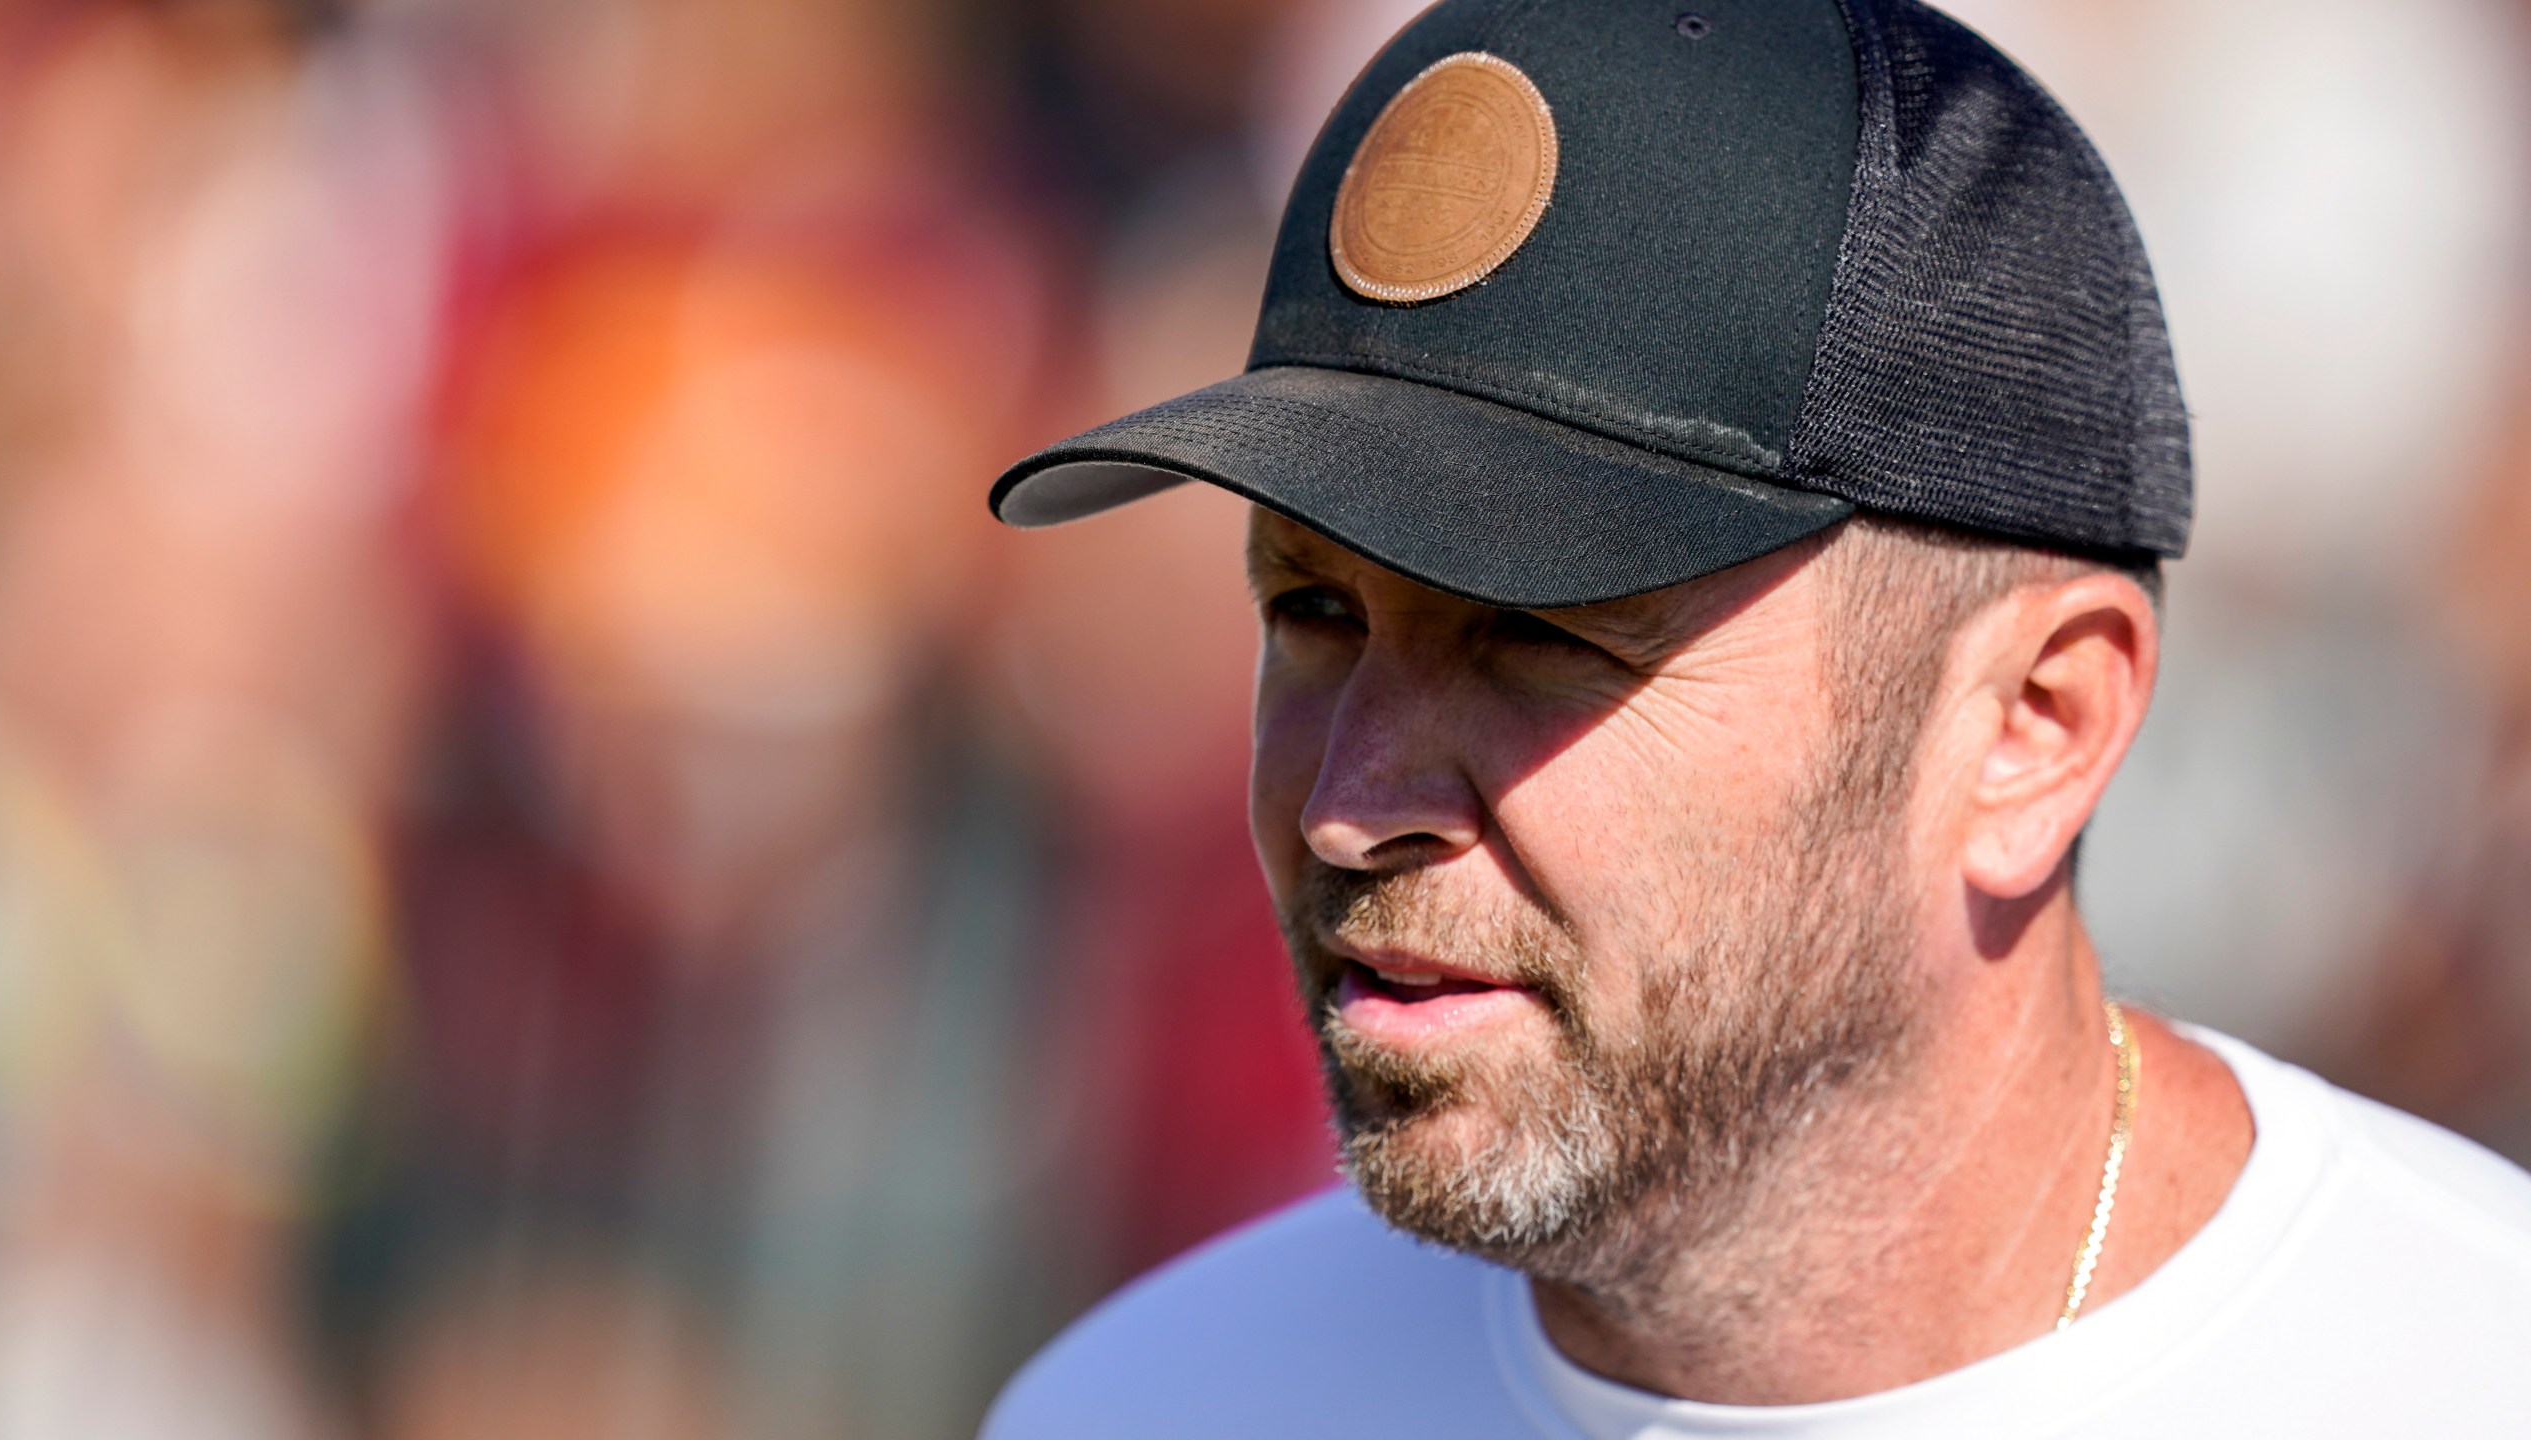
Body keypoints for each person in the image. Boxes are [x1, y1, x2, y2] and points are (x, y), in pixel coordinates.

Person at [977, 0, 2531, 1433]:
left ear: (2031, 727)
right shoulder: (1149, 1404)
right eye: (1313, 612)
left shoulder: (2455, 1365)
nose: (1351, 798)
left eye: (1538, 636)